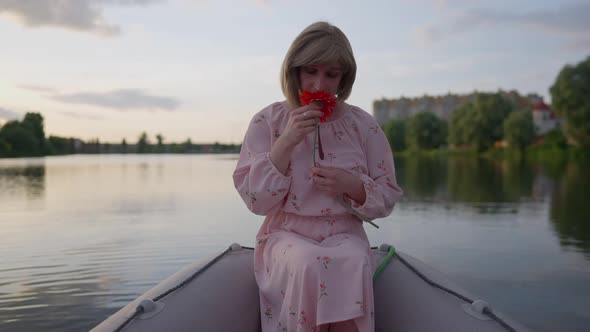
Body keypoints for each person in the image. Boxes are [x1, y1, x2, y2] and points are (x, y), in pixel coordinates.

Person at [233, 21, 403, 332]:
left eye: (331, 74)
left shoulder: (363, 126)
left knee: (354, 258)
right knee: (306, 260)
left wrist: (354, 186)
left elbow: (388, 193)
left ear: (344, 77)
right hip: (287, 234)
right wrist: (287, 141)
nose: (320, 84)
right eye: (310, 71)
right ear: (294, 71)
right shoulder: (267, 121)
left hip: (345, 233)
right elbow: (255, 200)